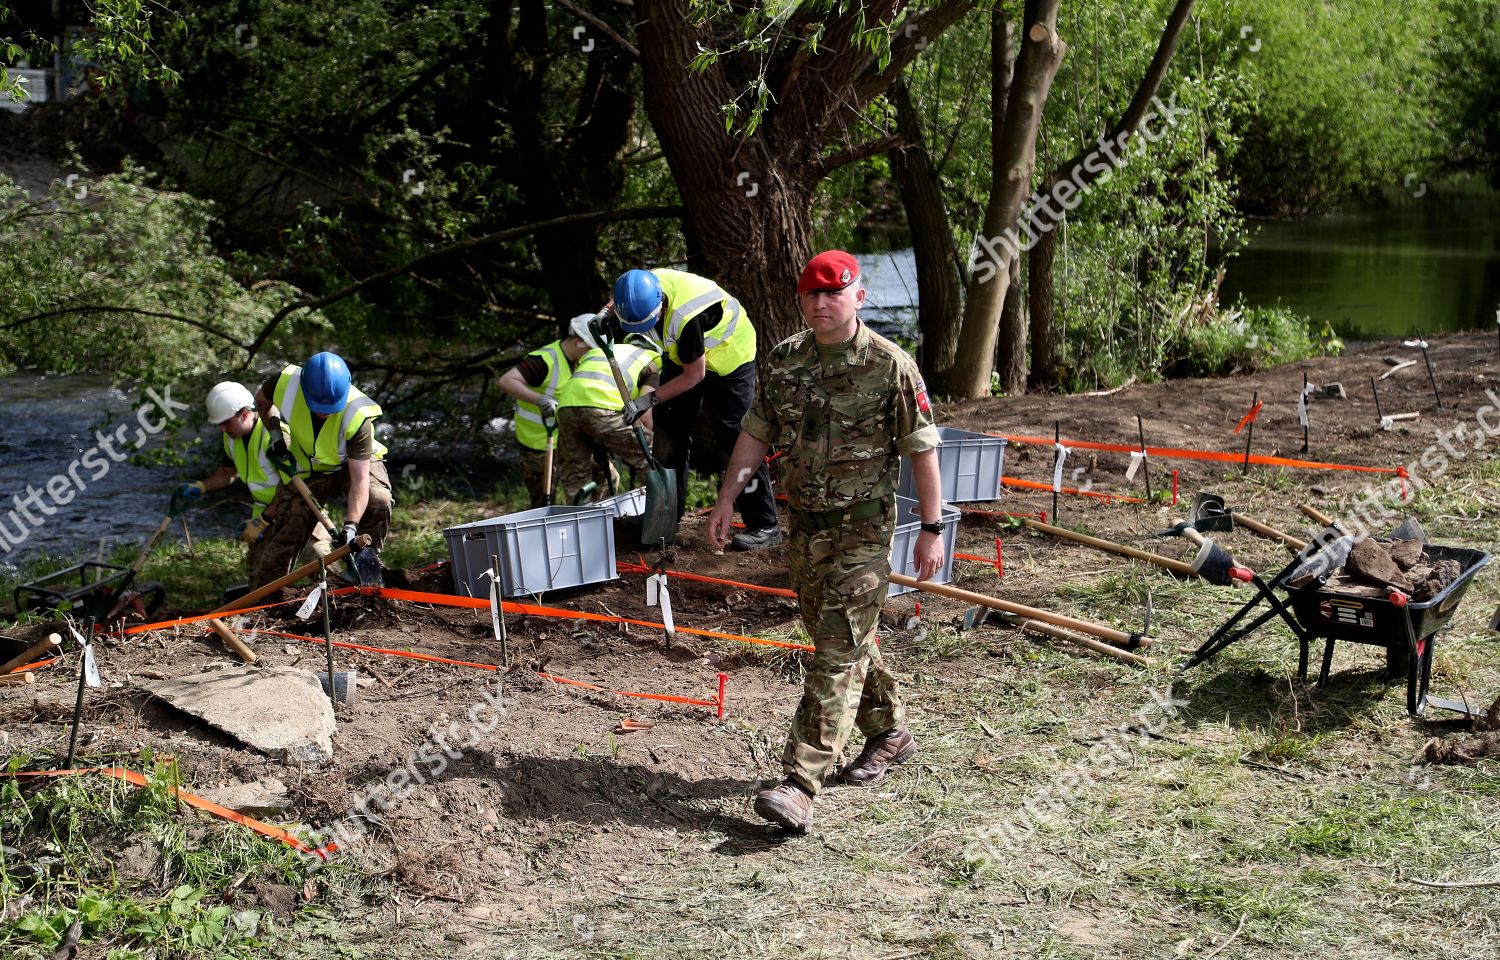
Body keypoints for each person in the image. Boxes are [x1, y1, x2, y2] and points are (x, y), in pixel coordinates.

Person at [707, 250, 944, 832]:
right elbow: (755, 436)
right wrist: (727, 498)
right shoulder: (786, 361)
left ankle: (800, 781)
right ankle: (890, 733)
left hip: (865, 529)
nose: (821, 303)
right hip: (806, 527)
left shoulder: (892, 367)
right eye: (811, 294)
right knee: (840, 634)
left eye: (833, 292)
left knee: (836, 647)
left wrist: (933, 528)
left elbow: (922, 449)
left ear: (858, 296)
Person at [610, 267, 780, 550]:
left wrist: (646, 401)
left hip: (729, 356)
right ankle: (663, 520)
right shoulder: (638, 286)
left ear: (660, 303)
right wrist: (605, 317)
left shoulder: (686, 319)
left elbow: (694, 376)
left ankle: (765, 525)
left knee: (736, 437)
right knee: (668, 432)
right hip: (684, 354)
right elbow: (617, 302)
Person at [249, 352, 391, 588]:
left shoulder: (358, 415)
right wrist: (275, 433)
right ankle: (265, 598)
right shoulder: (284, 383)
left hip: (351, 463)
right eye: (318, 406)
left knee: (379, 498)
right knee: (286, 532)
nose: (324, 412)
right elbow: (262, 401)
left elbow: (360, 480)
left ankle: (366, 571)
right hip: (308, 465)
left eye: (330, 407)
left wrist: (350, 526)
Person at [174, 381, 329, 564]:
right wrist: (202, 486)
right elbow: (227, 472)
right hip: (266, 516)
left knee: (321, 563)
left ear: (245, 414)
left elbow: (295, 486)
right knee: (260, 575)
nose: (222, 429)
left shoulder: (274, 437)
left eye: (226, 423)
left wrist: (262, 521)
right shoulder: (232, 438)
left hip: (299, 509)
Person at [553, 314, 662, 504]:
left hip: (566, 408)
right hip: (603, 410)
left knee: (576, 476)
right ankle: (658, 510)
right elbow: (645, 417)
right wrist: (644, 443)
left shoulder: (601, 351)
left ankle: (582, 525)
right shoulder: (651, 361)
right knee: (652, 458)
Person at [498, 315, 596, 507]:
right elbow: (506, 381)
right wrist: (540, 400)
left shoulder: (578, 361)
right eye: (591, 347)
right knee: (542, 502)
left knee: (591, 480)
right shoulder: (544, 360)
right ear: (579, 342)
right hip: (538, 443)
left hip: (566, 440)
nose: (593, 353)